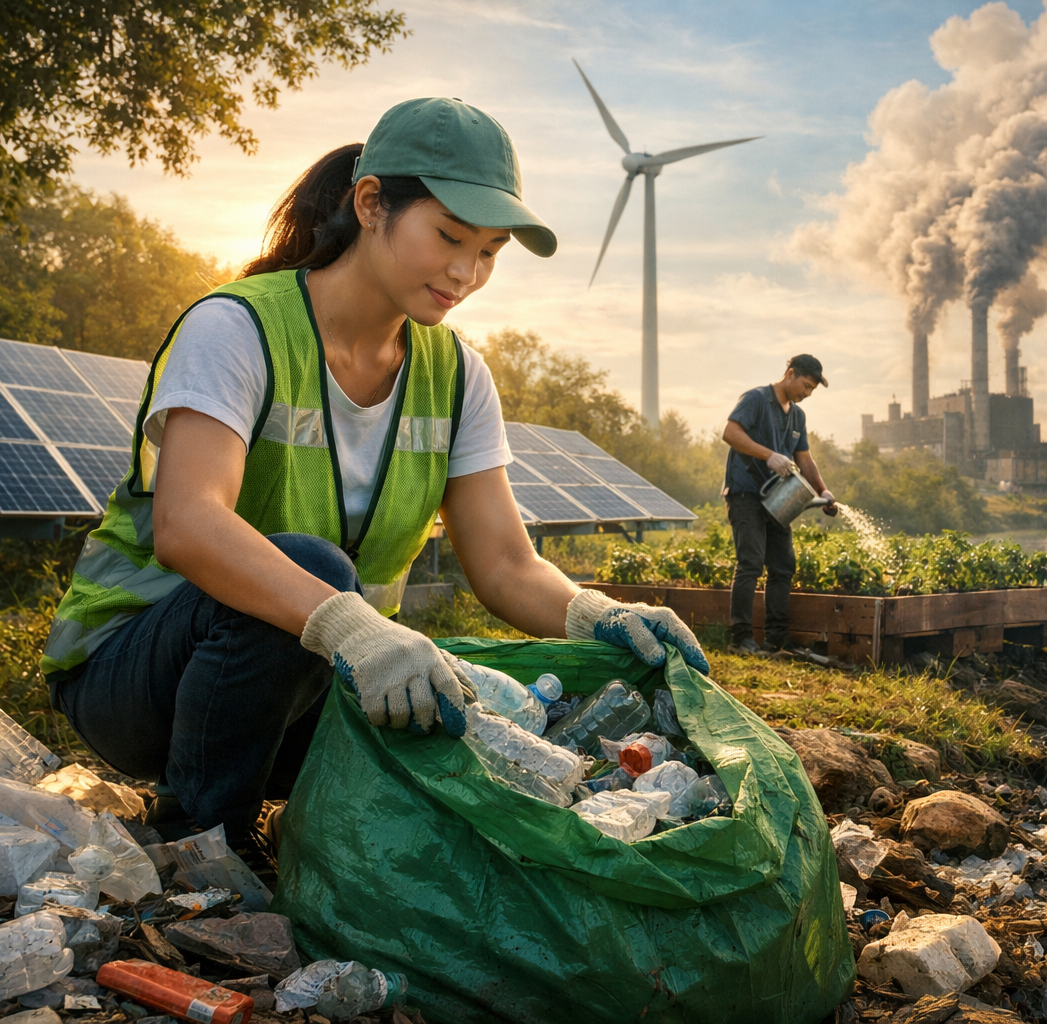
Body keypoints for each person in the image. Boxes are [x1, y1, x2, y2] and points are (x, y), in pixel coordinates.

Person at [40, 98, 708, 866]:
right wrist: (352, 626)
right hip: (137, 676)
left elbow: (503, 564)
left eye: (490, 251)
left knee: (464, 712)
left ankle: (282, 814)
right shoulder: (238, 328)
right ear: (370, 205)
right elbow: (189, 523)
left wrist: (596, 614)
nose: (467, 272)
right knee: (318, 571)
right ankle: (205, 841)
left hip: (311, 681)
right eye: (449, 236)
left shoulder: (457, 377)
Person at [721, 355, 838, 655]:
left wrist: (824, 491)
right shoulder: (756, 399)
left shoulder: (797, 416)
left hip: (778, 498)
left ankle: (776, 637)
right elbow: (731, 433)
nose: (807, 394)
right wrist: (769, 455)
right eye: (806, 386)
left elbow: (804, 459)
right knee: (750, 562)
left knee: (783, 565)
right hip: (746, 492)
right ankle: (741, 638)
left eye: (812, 390)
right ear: (790, 374)